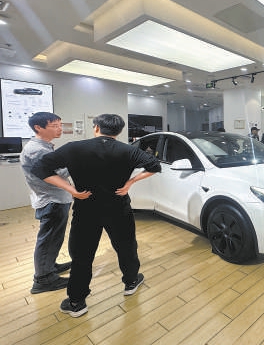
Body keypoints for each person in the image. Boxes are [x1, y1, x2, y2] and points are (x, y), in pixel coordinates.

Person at [32, 114, 161, 318]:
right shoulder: (128, 150)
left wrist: (71, 190)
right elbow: (155, 165)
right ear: (119, 131)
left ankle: (76, 301)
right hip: (118, 208)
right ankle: (131, 281)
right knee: (126, 246)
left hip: (86, 208)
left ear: (96, 128)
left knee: (82, 255)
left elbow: (39, 168)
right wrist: (130, 183)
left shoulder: (74, 148)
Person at [20, 112, 73, 294]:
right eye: (55, 126)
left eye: (60, 125)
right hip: (52, 199)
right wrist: (77, 158)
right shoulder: (37, 150)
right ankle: (43, 279)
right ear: (38, 127)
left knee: (53, 238)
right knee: (49, 238)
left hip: (55, 198)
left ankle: (49, 266)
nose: (60, 129)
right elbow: (59, 173)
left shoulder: (44, 147)